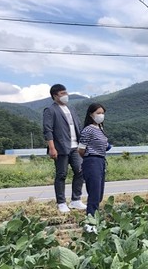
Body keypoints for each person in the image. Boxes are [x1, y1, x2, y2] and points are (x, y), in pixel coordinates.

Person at [42, 84, 86, 213]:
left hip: (75, 146)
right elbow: (47, 130)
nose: (66, 95)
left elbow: (78, 126)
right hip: (61, 147)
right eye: (62, 93)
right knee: (61, 174)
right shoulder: (50, 110)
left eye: (66, 93)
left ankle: (76, 200)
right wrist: (52, 147)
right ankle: (61, 202)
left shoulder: (71, 109)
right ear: (55, 96)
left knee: (80, 171)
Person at [78, 103, 109, 216]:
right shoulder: (88, 130)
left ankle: (95, 217)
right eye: (98, 113)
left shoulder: (100, 129)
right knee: (94, 193)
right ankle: (90, 220)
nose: (101, 115)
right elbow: (81, 149)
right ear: (91, 114)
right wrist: (89, 159)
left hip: (101, 161)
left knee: (99, 194)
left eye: (102, 113)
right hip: (92, 161)